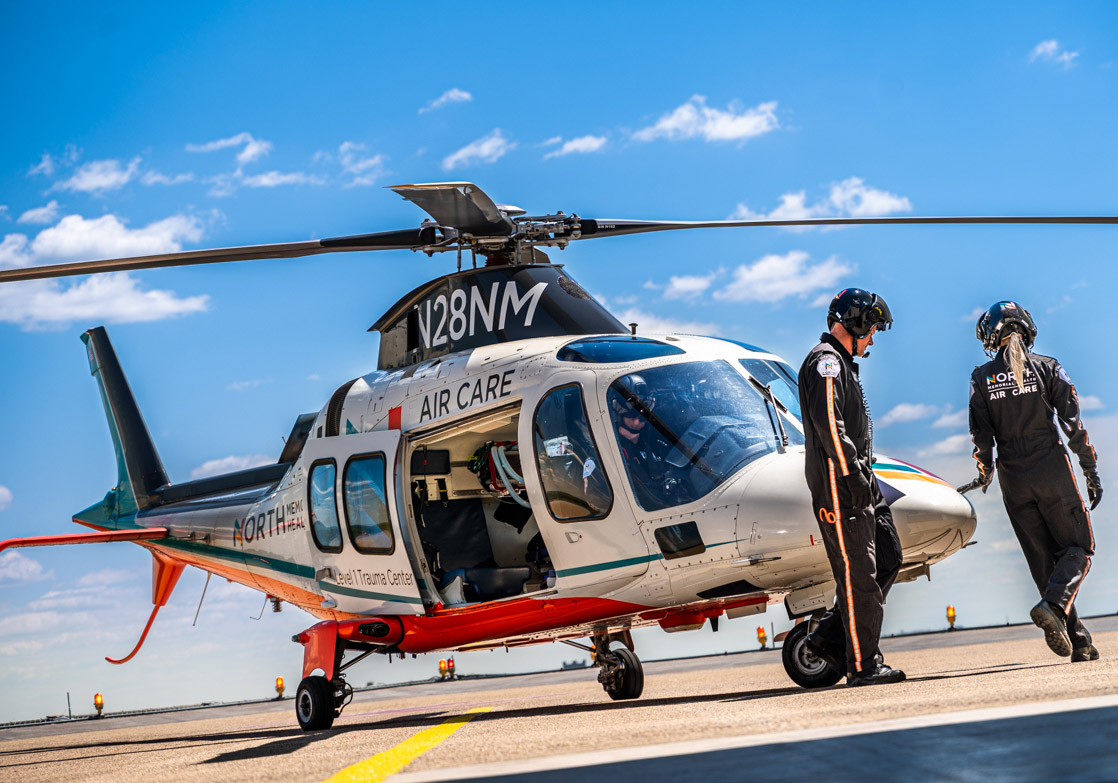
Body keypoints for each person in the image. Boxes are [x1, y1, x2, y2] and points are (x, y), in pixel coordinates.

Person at [964, 301, 1102, 661]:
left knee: (1044, 562)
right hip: (1053, 474)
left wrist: (986, 471)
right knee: (1080, 549)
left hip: (1015, 482)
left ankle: (1080, 642)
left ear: (991, 337)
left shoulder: (981, 378)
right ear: (1027, 329)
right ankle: (1056, 606)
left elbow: (981, 437)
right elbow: (1074, 427)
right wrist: (1090, 470)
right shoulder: (1048, 368)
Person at [798, 288, 905, 686]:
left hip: (861, 482)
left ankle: (828, 638)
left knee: (889, 556)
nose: (874, 338)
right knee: (859, 574)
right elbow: (830, 425)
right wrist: (853, 477)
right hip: (842, 487)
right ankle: (863, 666)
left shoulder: (842, 365)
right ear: (856, 324)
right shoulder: (826, 364)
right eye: (873, 328)